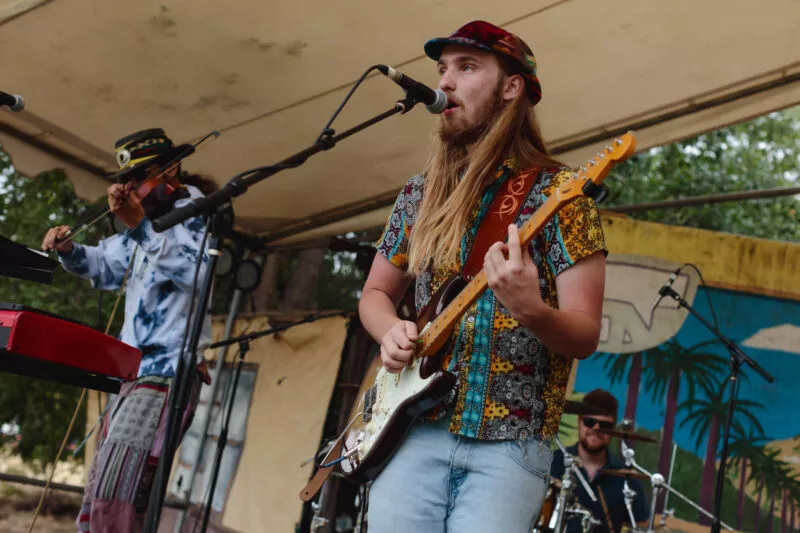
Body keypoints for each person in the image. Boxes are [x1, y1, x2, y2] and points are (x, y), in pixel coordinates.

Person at [358, 20, 608, 533]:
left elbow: (585, 334)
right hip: (412, 431)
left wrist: (531, 310)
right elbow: (377, 293)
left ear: (511, 87)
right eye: (443, 69)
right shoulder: (418, 195)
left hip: (509, 449)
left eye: (467, 68)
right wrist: (390, 331)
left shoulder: (563, 197)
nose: (445, 82)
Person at [41, 128, 213, 533]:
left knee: (123, 491)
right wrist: (68, 250)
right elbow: (102, 266)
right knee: (105, 482)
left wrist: (139, 225)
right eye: (127, 180)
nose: (131, 187)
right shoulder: (146, 220)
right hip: (132, 372)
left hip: (167, 370)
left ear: (171, 168)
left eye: (141, 176)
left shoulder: (196, 209)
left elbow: (197, 272)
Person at [550, 389, 650, 533]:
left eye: (605, 426)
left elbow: (641, 525)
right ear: (579, 422)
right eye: (589, 422)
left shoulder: (627, 479)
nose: (596, 429)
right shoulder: (553, 462)